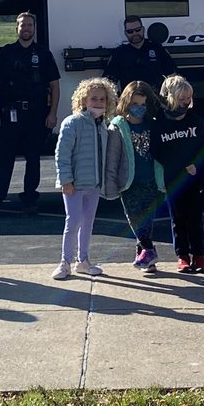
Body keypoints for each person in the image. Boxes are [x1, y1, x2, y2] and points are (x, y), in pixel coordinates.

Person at [51, 77, 128, 280]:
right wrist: (66, 180)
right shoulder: (72, 123)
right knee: (73, 222)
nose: (98, 103)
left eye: (102, 99)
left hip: (94, 185)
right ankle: (64, 262)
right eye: (93, 98)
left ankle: (83, 261)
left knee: (88, 223)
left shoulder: (103, 127)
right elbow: (62, 154)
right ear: (83, 100)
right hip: (74, 185)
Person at [0, 12, 61, 217]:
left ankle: (29, 200)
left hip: (36, 115)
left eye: (29, 25)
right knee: (4, 159)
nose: (26, 28)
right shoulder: (6, 53)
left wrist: (53, 113)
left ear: (34, 28)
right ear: (16, 28)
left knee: (33, 159)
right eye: (22, 25)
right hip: (9, 113)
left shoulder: (44, 54)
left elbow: (54, 85)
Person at [152, 75, 204, 274]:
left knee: (195, 217)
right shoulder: (159, 123)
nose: (186, 102)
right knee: (178, 218)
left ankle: (200, 256)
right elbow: (157, 151)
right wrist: (180, 164)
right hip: (173, 178)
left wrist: (195, 164)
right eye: (182, 98)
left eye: (189, 98)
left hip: (195, 179)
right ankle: (183, 256)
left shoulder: (195, 120)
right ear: (170, 97)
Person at [109, 80, 165, 274]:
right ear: (126, 102)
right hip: (129, 181)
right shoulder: (118, 127)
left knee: (147, 220)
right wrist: (111, 182)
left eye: (143, 105)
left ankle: (145, 256)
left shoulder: (152, 126)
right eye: (135, 104)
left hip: (151, 180)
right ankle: (149, 251)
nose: (139, 108)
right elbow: (113, 157)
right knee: (134, 218)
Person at [104, 15, 177, 92]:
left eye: (137, 30)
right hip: (130, 98)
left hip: (155, 98)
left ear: (143, 29)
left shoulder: (157, 49)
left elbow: (172, 74)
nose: (134, 33)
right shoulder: (119, 53)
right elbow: (108, 81)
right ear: (125, 33)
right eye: (130, 31)